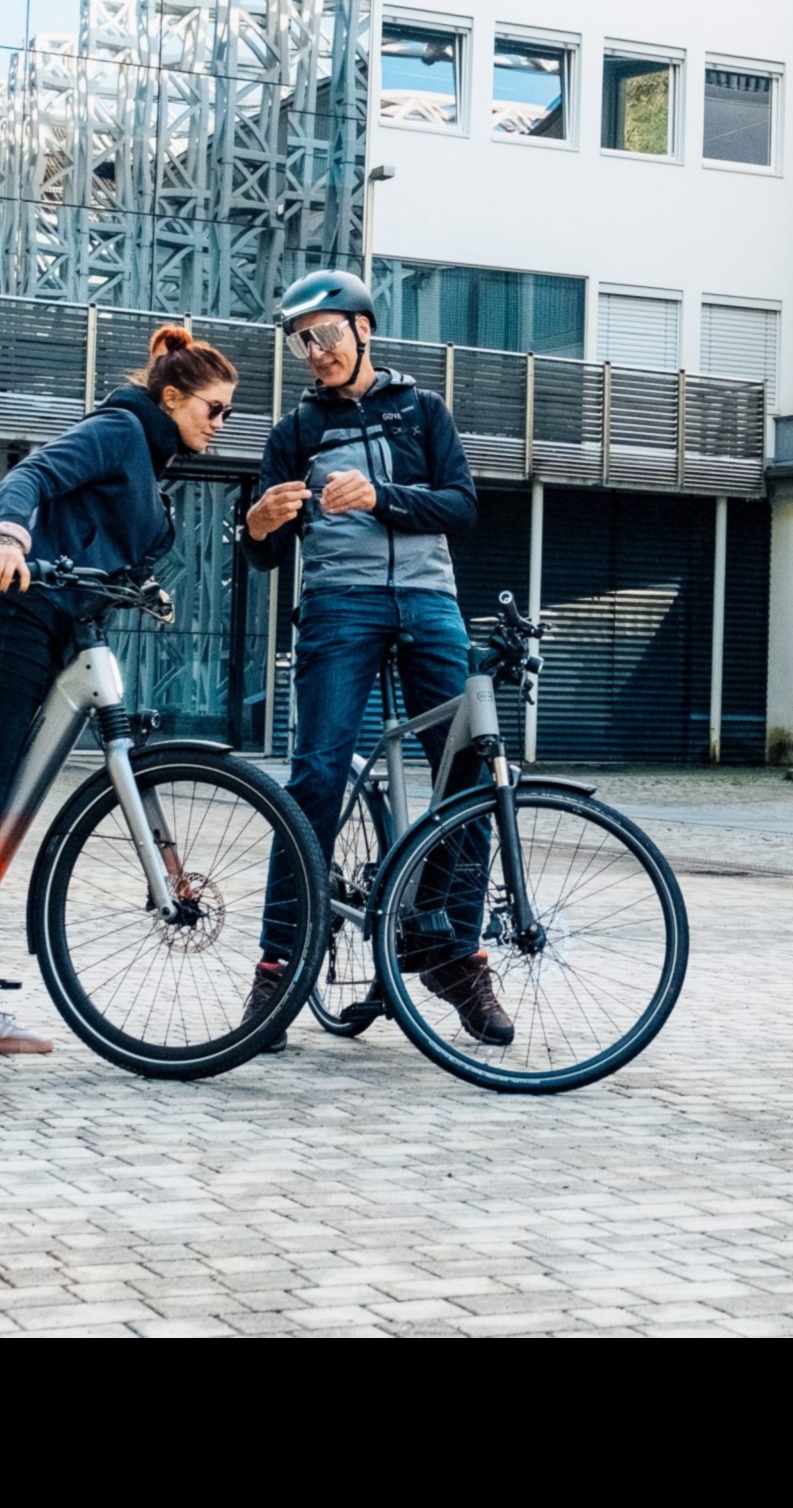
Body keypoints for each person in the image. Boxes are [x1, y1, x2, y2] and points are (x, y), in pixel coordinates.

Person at [0, 324, 238, 1081]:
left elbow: (99, 548)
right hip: (10, 621)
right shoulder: (120, 430)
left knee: (3, 814)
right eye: (215, 407)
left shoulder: (151, 469)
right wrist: (7, 535)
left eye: (227, 412)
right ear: (172, 396)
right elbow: (32, 476)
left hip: (54, 635)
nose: (221, 423)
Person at [241, 269, 512, 1046]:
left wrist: (382, 499)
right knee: (316, 777)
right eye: (302, 342)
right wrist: (259, 521)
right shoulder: (293, 431)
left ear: (363, 330)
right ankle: (278, 966)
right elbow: (261, 553)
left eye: (325, 335)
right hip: (338, 603)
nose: (314, 352)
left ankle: (452, 952)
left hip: (428, 602)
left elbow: (461, 505)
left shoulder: (422, 411)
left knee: (471, 769)